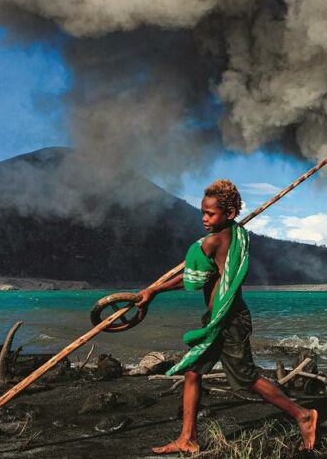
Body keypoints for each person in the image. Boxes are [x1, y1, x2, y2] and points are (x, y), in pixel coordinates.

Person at [135, 179, 317, 455]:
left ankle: (302, 415)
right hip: (218, 318)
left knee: (246, 378)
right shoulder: (236, 232)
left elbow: (189, 280)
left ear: (229, 214)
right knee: (193, 371)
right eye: (203, 213)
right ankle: (188, 438)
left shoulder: (212, 241)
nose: (205, 219)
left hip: (229, 320)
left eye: (211, 214)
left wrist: (154, 290)